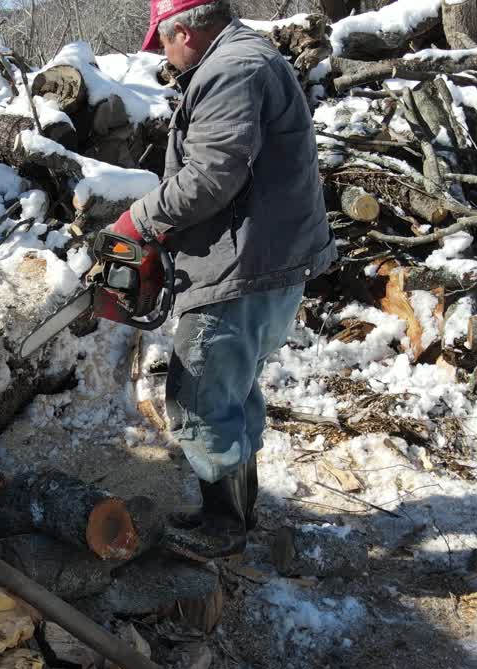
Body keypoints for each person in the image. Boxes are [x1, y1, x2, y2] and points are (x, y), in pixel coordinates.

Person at [107, 0, 335, 558]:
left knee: (201, 392)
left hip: (247, 266)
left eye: (163, 42)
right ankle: (236, 511)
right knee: (229, 390)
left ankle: (223, 526)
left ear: (182, 30)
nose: (164, 55)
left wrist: (139, 220)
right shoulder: (244, 60)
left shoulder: (233, 70)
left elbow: (211, 174)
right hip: (256, 258)